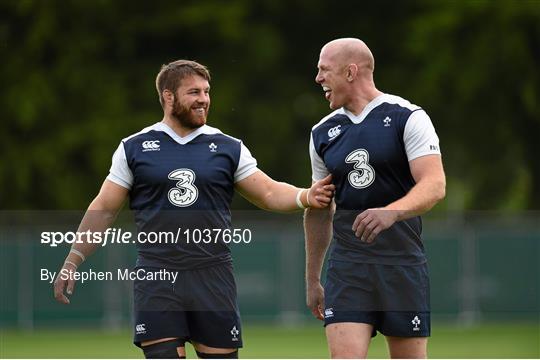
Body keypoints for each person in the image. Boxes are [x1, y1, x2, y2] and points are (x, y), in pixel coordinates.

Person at [53, 60, 335, 359]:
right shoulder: (134, 147)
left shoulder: (227, 147)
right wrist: (74, 259)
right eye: (194, 92)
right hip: (157, 275)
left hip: (213, 277)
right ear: (168, 96)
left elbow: (267, 192)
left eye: (206, 91)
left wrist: (306, 195)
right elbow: (104, 209)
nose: (203, 99)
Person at [304, 38, 446, 358]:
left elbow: (435, 184)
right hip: (348, 267)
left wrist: (391, 212)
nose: (318, 79)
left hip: (402, 264)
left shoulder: (407, 117)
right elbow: (319, 208)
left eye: (324, 70)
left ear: (351, 72)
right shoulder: (322, 133)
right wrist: (313, 280)